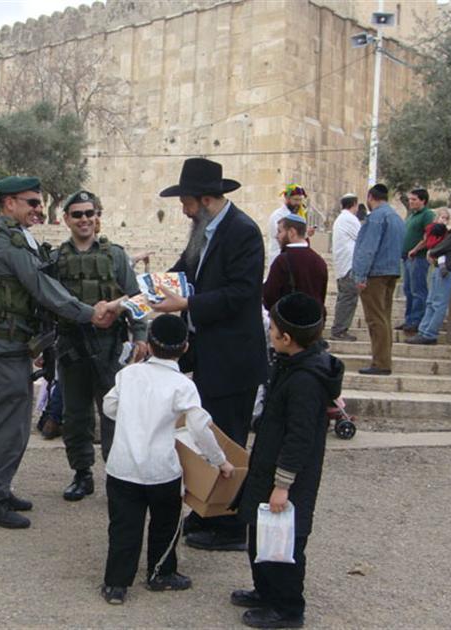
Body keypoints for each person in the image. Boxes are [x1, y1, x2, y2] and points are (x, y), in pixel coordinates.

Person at [0, 176, 117, 530]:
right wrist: (88, 313)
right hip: (4, 346)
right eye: (32, 202)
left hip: (1, 343)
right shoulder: (10, 242)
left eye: (40, 203)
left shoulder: (5, 238)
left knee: (6, 423)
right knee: (8, 426)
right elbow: (43, 288)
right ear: (9, 203)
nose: (38, 209)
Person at [152, 158, 267, 551]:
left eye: (186, 202)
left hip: (233, 360)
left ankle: (231, 526)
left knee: (227, 441)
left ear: (204, 199)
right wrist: (147, 290)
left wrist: (187, 304)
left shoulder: (242, 232)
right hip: (209, 357)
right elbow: (184, 269)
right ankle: (209, 512)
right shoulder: (204, 230)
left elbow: (241, 293)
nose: (183, 210)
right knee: (208, 439)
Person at [101, 314, 234, 605]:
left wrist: (131, 415)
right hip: (162, 470)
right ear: (185, 348)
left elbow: (109, 406)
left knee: (123, 526)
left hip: (122, 467)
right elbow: (200, 427)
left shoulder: (128, 374)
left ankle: (116, 584)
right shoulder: (182, 385)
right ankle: (161, 572)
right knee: (165, 523)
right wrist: (219, 460)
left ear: (148, 345)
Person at [231, 292, 344, 629]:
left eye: (273, 329)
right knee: (261, 533)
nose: (269, 332)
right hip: (267, 465)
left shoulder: (306, 381)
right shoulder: (290, 363)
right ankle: (265, 591)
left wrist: (283, 485)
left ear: (287, 338)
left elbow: (299, 438)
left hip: (287, 476)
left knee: (284, 540)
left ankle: (287, 608)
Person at [52, 190, 148, 501]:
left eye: (89, 213)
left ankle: (117, 475)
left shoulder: (116, 256)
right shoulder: (55, 259)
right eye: (77, 214)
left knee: (114, 413)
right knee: (75, 415)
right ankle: (82, 474)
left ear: (97, 217)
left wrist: (141, 336)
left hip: (109, 347)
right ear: (66, 219)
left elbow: (136, 298)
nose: (84, 219)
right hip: (72, 345)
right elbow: (48, 303)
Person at [407, 192, 451, 345]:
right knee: (431, 301)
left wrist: (433, 251)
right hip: (440, 265)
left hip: (449, 267)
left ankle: (429, 334)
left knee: (438, 302)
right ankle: (424, 331)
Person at [351, 183, 405, 376]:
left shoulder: (375, 218)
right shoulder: (396, 218)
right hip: (391, 271)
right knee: (384, 317)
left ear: (370, 197)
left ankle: (380, 363)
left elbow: (368, 248)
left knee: (375, 319)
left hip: (375, 273)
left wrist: (360, 275)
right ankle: (384, 359)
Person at [262, 214, 328, 313]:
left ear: (292, 232)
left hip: (288, 319)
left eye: (280, 231)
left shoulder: (282, 261)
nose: (277, 236)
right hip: (313, 320)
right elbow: (321, 297)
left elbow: (270, 297)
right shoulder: (320, 262)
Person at [398, 188, 434, 334]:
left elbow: (428, 236)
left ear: (423, 200)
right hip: (407, 258)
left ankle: (417, 321)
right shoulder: (412, 216)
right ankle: (409, 319)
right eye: (410, 199)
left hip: (418, 257)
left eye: (414, 199)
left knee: (418, 290)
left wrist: (415, 249)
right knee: (408, 289)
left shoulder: (427, 215)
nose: (411, 202)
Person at [329, 193, 362, 341]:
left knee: (345, 297)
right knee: (348, 298)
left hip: (343, 265)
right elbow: (362, 237)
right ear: (354, 204)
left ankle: (339, 328)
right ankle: (339, 330)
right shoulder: (349, 219)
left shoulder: (341, 219)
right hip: (348, 265)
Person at [266, 184, 308, 268]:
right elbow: (284, 237)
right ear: (287, 198)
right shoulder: (278, 215)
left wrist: (307, 233)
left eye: (300, 200)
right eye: (295, 200)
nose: (298, 203)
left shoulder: (299, 214)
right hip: (279, 256)